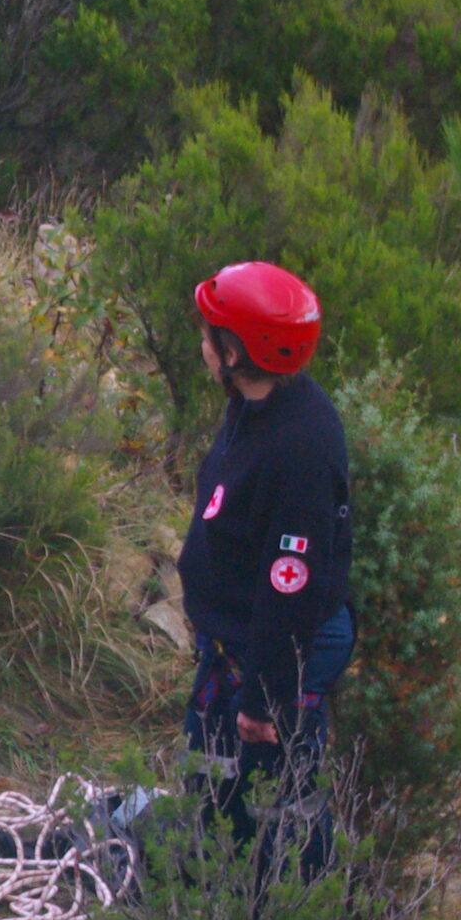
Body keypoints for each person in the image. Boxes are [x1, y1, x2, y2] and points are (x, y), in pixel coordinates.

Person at [178, 262, 353, 857]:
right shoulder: (257, 408)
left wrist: (266, 699)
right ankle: (208, 890)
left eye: (208, 336)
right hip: (242, 647)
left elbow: (291, 586)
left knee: (279, 811)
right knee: (214, 791)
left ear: (233, 350)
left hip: (279, 654)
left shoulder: (298, 446)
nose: (201, 345)